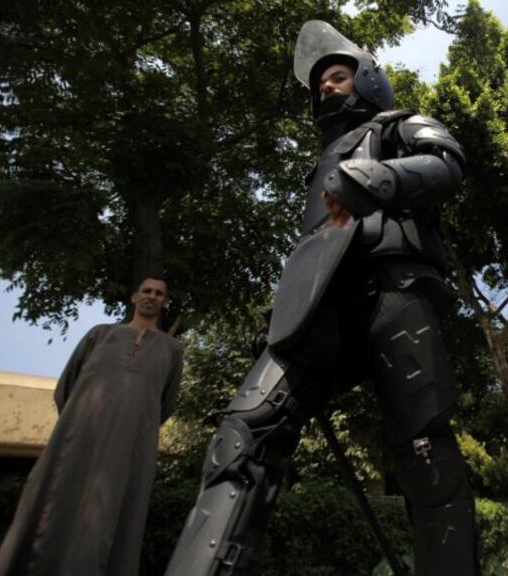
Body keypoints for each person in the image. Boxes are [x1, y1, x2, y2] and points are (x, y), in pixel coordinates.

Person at [163, 21, 476, 575]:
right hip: (318, 315)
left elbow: (447, 164)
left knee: (424, 454)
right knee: (242, 435)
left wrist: (378, 179)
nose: (327, 87)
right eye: (321, 84)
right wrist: (283, 309)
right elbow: (319, 248)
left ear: (368, 79)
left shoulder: (397, 125)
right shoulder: (321, 164)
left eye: (337, 76)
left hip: (394, 293)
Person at [0, 276, 183, 576]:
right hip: (77, 439)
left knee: (115, 514)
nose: (152, 296)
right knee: (55, 500)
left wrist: (132, 425)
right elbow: (66, 386)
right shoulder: (100, 335)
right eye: (146, 291)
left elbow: (165, 403)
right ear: (134, 297)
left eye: (159, 293)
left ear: (164, 302)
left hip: (130, 447)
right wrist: (80, 423)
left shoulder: (172, 349)